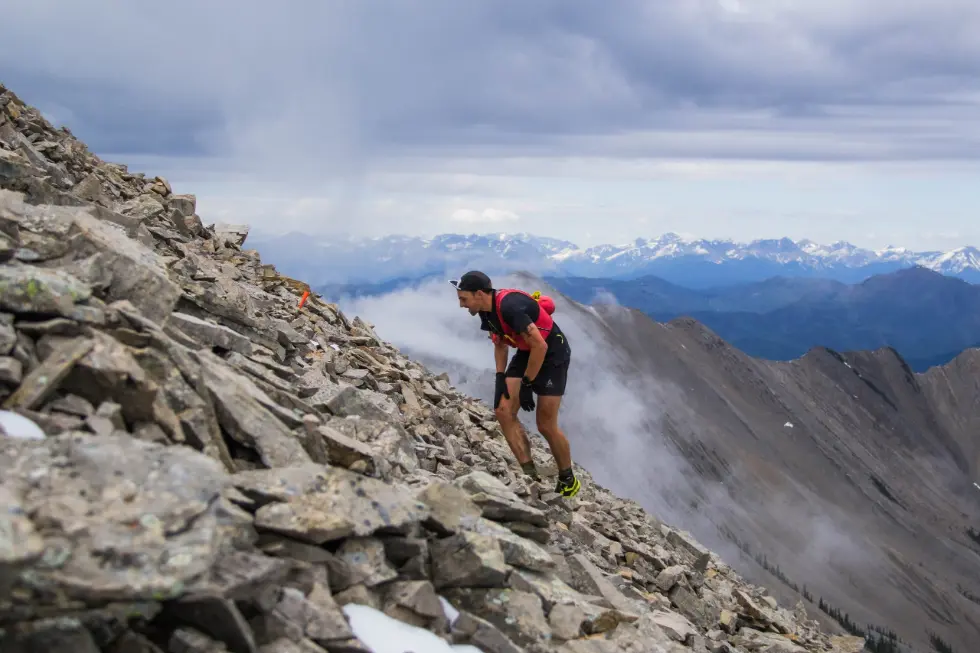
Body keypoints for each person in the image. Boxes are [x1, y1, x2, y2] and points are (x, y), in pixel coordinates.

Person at [451, 270, 581, 497]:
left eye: (464, 299)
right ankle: (529, 475)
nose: (462, 305)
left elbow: (541, 346)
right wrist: (500, 378)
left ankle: (568, 479)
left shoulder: (510, 308)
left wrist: (528, 384)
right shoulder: (486, 311)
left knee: (545, 424)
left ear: (479, 294)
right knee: (503, 411)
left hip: (553, 353)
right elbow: (500, 344)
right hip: (526, 350)